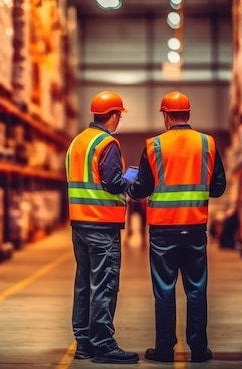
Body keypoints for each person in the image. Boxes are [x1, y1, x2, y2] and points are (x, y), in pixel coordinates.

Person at [127, 91, 226, 363]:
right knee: (196, 289)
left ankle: (164, 350)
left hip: (163, 231)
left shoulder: (153, 146)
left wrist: (130, 186)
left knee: (164, 290)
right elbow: (218, 188)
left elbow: (141, 189)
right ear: (189, 115)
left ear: (165, 116)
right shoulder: (208, 143)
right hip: (195, 228)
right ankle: (198, 350)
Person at [65, 90, 139, 364]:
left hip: (79, 223)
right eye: (119, 115)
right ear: (114, 115)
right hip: (101, 225)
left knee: (84, 283)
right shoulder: (106, 143)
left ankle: (84, 343)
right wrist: (133, 183)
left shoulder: (77, 142)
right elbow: (111, 183)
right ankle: (103, 344)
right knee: (104, 284)